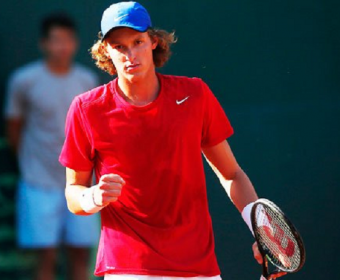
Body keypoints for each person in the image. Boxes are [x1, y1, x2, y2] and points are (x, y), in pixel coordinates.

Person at [59, 2, 287, 280]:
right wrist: (94, 196)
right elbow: (74, 193)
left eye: (138, 41)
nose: (130, 54)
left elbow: (231, 174)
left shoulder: (195, 94)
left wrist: (261, 232)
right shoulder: (86, 108)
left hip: (197, 266)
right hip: (129, 266)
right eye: (119, 47)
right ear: (106, 50)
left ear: (154, 42)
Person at [4, 13, 100, 280]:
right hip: (38, 183)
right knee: (45, 257)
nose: (63, 46)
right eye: (56, 40)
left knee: (80, 255)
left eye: (68, 39)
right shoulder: (24, 80)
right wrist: (31, 165)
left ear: (76, 43)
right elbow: (13, 127)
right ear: (44, 43)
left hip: (81, 185)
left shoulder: (87, 81)